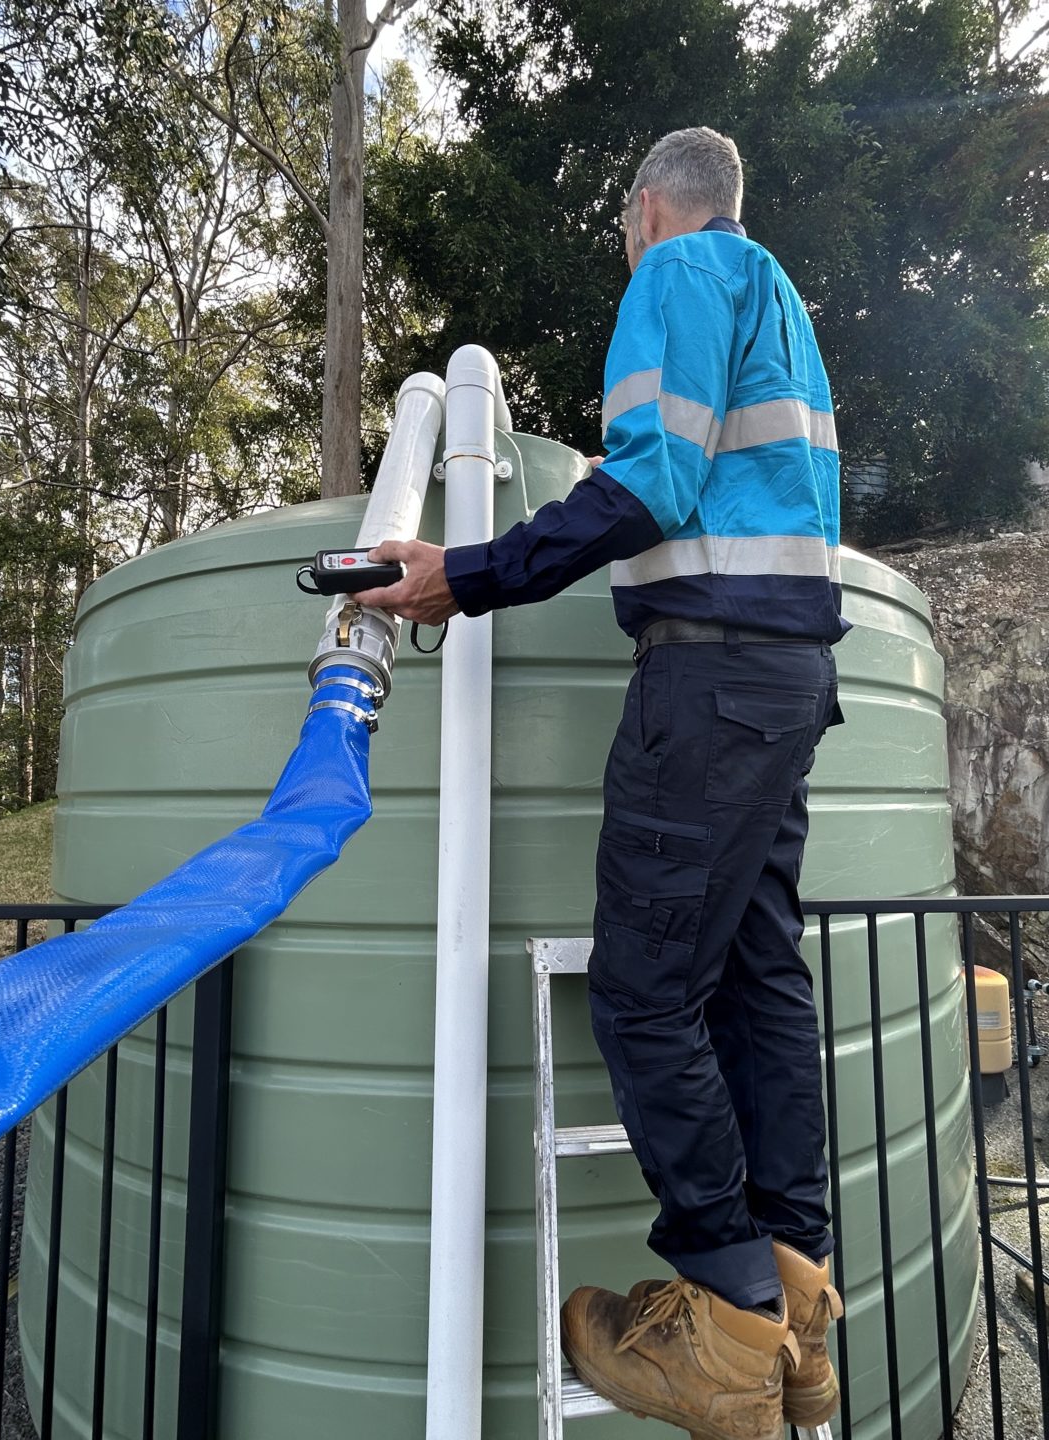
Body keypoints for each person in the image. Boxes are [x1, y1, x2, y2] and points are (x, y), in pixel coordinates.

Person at [357, 126, 845, 1440]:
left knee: (642, 993)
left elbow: (654, 482)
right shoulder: (782, 306)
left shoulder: (679, 276)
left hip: (710, 682)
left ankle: (728, 1326)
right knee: (756, 977)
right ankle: (797, 1298)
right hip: (790, 679)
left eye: (629, 227)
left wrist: (467, 573)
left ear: (645, 209)